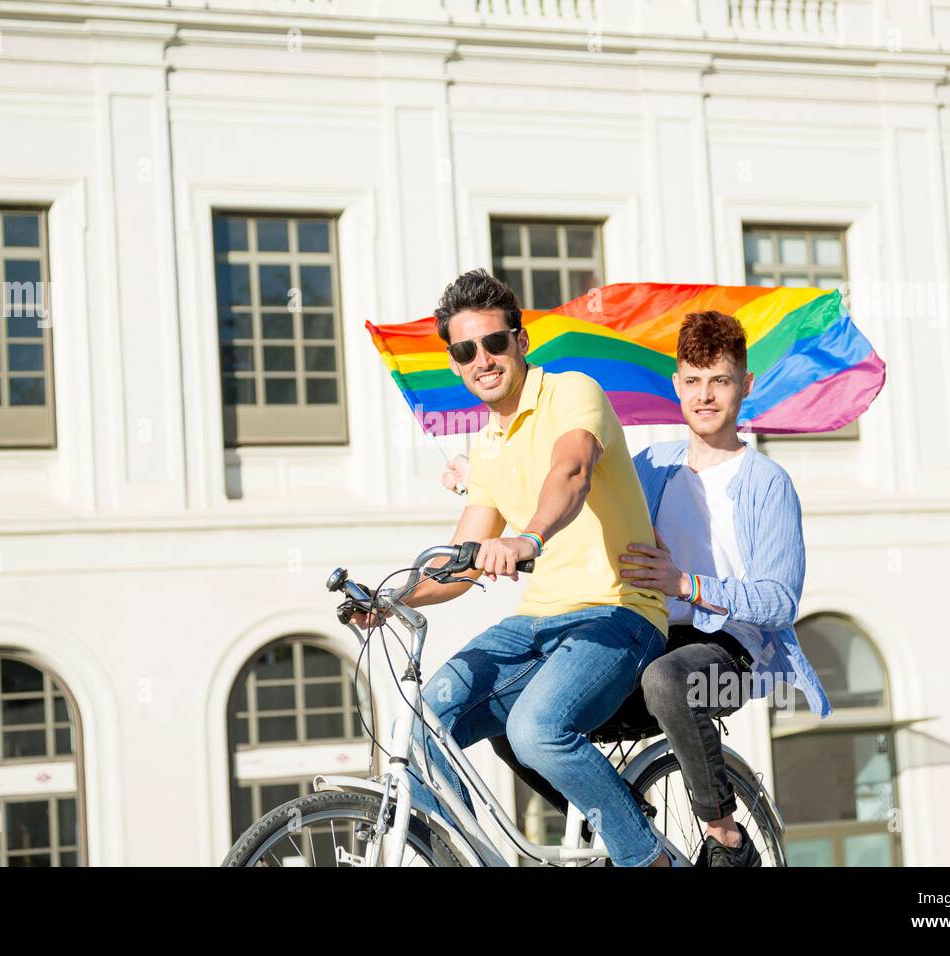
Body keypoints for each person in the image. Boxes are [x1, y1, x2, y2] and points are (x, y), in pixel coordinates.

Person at [444, 310, 832, 867]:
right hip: (646, 633)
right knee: (512, 713)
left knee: (668, 679)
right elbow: (575, 495)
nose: (705, 396)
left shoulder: (767, 482)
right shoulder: (652, 465)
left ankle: (726, 836)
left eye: (720, 381)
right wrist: (480, 474)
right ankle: (627, 824)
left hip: (732, 656)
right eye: (693, 381)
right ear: (676, 385)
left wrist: (687, 584)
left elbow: (779, 601)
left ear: (744, 386)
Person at [356, 268, 673, 867]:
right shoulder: (486, 446)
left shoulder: (571, 392)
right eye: (466, 350)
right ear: (454, 362)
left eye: (495, 342)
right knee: (422, 725)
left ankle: (650, 859)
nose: (483, 359)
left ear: (520, 342)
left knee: (535, 730)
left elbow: (572, 471)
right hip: (537, 625)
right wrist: (390, 598)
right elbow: (461, 563)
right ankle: (465, 856)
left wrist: (529, 536)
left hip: (619, 612)